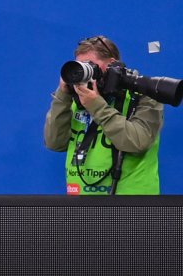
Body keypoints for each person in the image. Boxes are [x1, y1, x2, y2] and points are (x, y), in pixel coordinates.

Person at [44, 35, 164, 195]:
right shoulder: (78, 99)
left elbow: (137, 143)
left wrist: (96, 106)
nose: (86, 74)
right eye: (80, 67)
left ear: (113, 65)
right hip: (81, 204)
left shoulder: (143, 97)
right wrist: (62, 96)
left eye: (91, 66)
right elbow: (55, 143)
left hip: (132, 207)